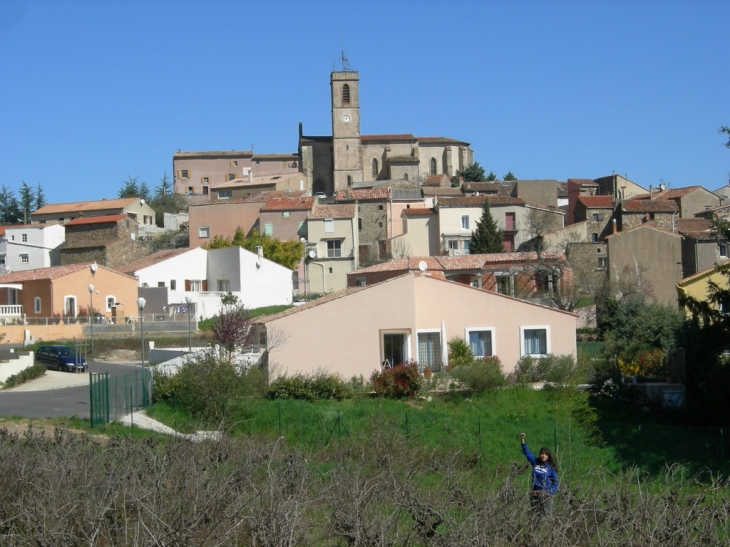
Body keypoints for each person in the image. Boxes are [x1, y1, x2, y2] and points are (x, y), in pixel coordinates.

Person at [519, 432, 558, 518]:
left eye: (545, 454)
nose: (543, 456)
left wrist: (549, 492)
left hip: (546, 495)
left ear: (548, 456)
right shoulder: (535, 463)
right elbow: (527, 453)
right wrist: (522, 440)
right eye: (542, 454)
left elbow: (555, 483)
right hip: (535, 494)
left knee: (548, 517)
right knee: (535, 517)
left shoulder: (550, 467)